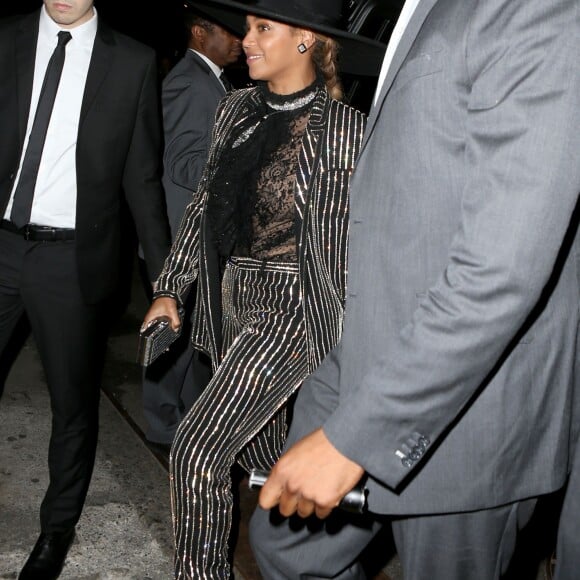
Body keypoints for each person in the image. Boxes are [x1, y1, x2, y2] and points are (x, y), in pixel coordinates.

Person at [249, 0, 580, 578]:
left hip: (473, 405)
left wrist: (354, 439)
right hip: (369, 355)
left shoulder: (537, 9)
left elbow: (500, 271)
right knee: (282, 545)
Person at [141, 0, 385, 576]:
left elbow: (367, 240)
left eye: (261, 28)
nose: (245, 38)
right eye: (247, 27)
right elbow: (204, 206)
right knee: (273, 464)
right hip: (232, 304)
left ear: (305, 40)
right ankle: (315, 562)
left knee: (198, 448)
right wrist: (172, 288)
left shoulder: (345, 131)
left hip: (294, 307)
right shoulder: (235, 110)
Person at [0, 1, 171, 578]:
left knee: (72, 405)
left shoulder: (134, 64)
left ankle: (55, 531)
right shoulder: (7, 39)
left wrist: (164, 280)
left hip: (70, 260)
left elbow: (142, 178)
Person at [142, 7, 242, 451]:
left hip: (199, 236)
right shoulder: (188, 81)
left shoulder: (216, 81)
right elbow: (179, 162)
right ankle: (163, 427)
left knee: (191, 338)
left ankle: (180, 423)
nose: (240, 39)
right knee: (172, 339)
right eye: (230, 31)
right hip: (181, 238)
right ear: (200, 33)